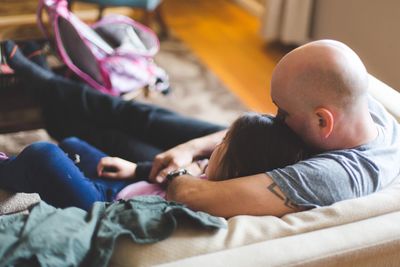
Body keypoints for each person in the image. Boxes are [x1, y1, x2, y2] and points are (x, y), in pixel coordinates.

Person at [3, 39, 400, 218]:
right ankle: (47, 87)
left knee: (117, 140)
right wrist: (190, 148)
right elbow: (262, 128)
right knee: (145, 119)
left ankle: (46, 97)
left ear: (322, 121)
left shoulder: (334, 176)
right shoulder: (362, 110)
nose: (276, 115)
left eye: (282, 111)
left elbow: (194, 194)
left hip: (247, 159)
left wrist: (182, 165)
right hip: (255, 146)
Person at [0, 113, 310, 211]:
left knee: (45, 155)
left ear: (238, 167)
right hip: (129, 186)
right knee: (72, 144)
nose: (213, 148)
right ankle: (32, 171)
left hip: (107, 210)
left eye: (224, 144)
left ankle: (9, 169)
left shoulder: (219, 201)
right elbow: (163, 180)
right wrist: (136, 169)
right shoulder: (212, 172)